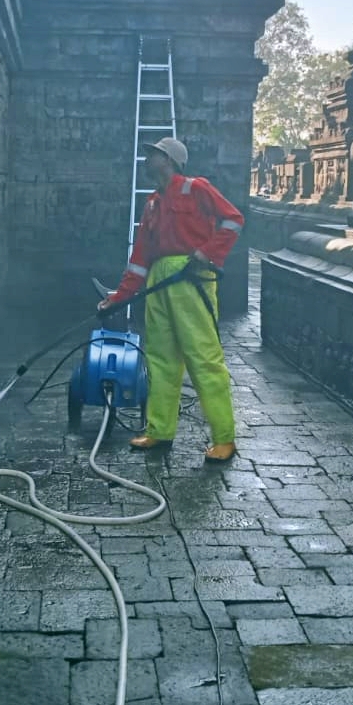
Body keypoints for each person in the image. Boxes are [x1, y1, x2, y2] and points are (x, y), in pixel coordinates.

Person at [98, 137, 244, 462]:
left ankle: (224, 439)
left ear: (171, 160)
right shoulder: (151, 203)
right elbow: (140, 257)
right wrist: (119, 297)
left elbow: (234, 220)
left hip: (190, 278)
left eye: (153, 154)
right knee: (160, 359)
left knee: (203, 357)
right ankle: (159, 431)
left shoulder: (196, 188)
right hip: (159, 280)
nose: (147, 159)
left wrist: (207, 253)